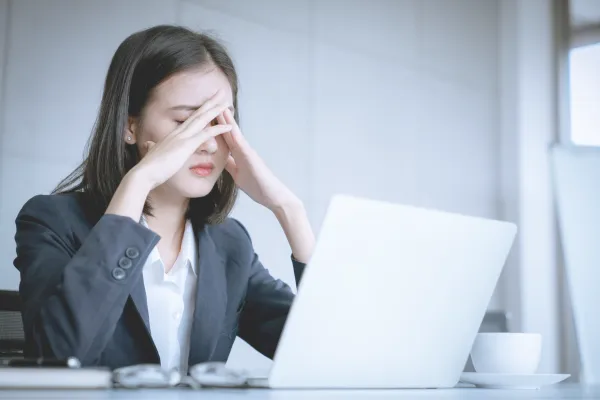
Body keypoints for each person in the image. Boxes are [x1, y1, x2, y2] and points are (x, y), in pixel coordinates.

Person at [13, 25, 315, 373]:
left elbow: (324, 356)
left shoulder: (230, 244)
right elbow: (61, 353)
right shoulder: (53, 221)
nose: (210, 143)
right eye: (188, 121)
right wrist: (138, 181)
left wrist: (289, 210)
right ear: (130, 126)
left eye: (220, 122)